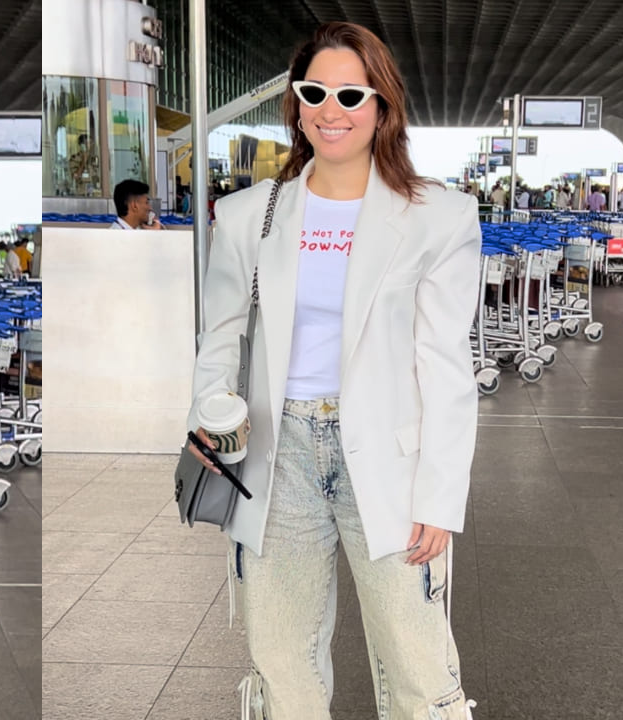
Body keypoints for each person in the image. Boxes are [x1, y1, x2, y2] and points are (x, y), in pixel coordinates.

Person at [186, 22, 479, 719]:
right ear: (295, 102)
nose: (331, 108)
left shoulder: (438, 217)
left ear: (382, 105)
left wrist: (440, 496)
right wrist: (210, 411)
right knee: (283, 661)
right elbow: (221, 333)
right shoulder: (249, 214)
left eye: (351, 93)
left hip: (388, 458)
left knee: (416, 660)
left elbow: (445, 364)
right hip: (275, 454)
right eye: (314, 91)